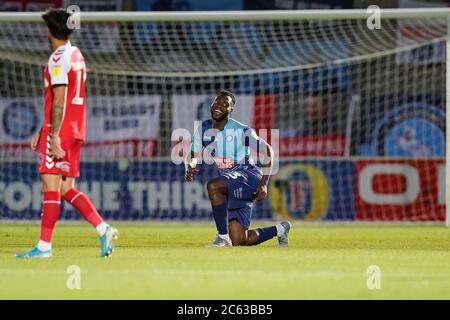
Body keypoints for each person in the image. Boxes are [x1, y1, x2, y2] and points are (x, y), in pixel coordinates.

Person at [16, 8, 118, 258]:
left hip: (60, 131)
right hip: (75, 129)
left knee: (50, 185)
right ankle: (103, 228)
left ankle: (43, 247)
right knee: (65, 187)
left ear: (50, 31)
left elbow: (59, 100)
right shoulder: (76, 54)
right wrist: (43, 129)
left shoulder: (58, 58)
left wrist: (52, 134)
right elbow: (64, 98)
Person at [185, 90, 291, 247]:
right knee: (240, 241)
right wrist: (190, 166)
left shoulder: (241, 131)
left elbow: (268, 150)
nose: (219, 106)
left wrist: (264, 182)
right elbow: (192, 154)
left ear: (231, 110)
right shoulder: (202, 129)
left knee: (214, 186)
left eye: (225, 104)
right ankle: (280, 229)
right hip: (231, 181)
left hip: (248, 174)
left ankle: (222, 238)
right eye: (216, 102)